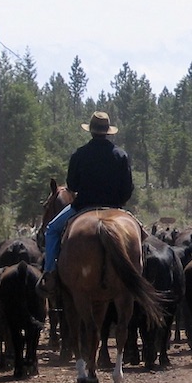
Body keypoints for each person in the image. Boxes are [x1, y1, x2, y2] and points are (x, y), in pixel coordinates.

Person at [43, 111, 135, 277]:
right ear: (107, 132)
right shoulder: (121, 155)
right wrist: (118, 203)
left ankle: (49, 274)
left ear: (91, 131)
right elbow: (127, 189)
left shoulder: (79, 154)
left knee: (52, 230)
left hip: (83, 206)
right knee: (141, 235)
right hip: (114, 207)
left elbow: (72, 185)